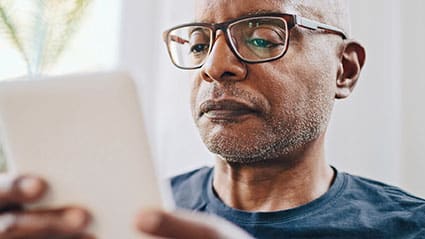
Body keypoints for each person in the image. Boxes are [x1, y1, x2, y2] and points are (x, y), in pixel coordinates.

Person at [0, 0, 424, 238]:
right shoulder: (122, 219)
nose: (215, 66)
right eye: (200, 45)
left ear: (344, 70)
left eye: (262, 38)